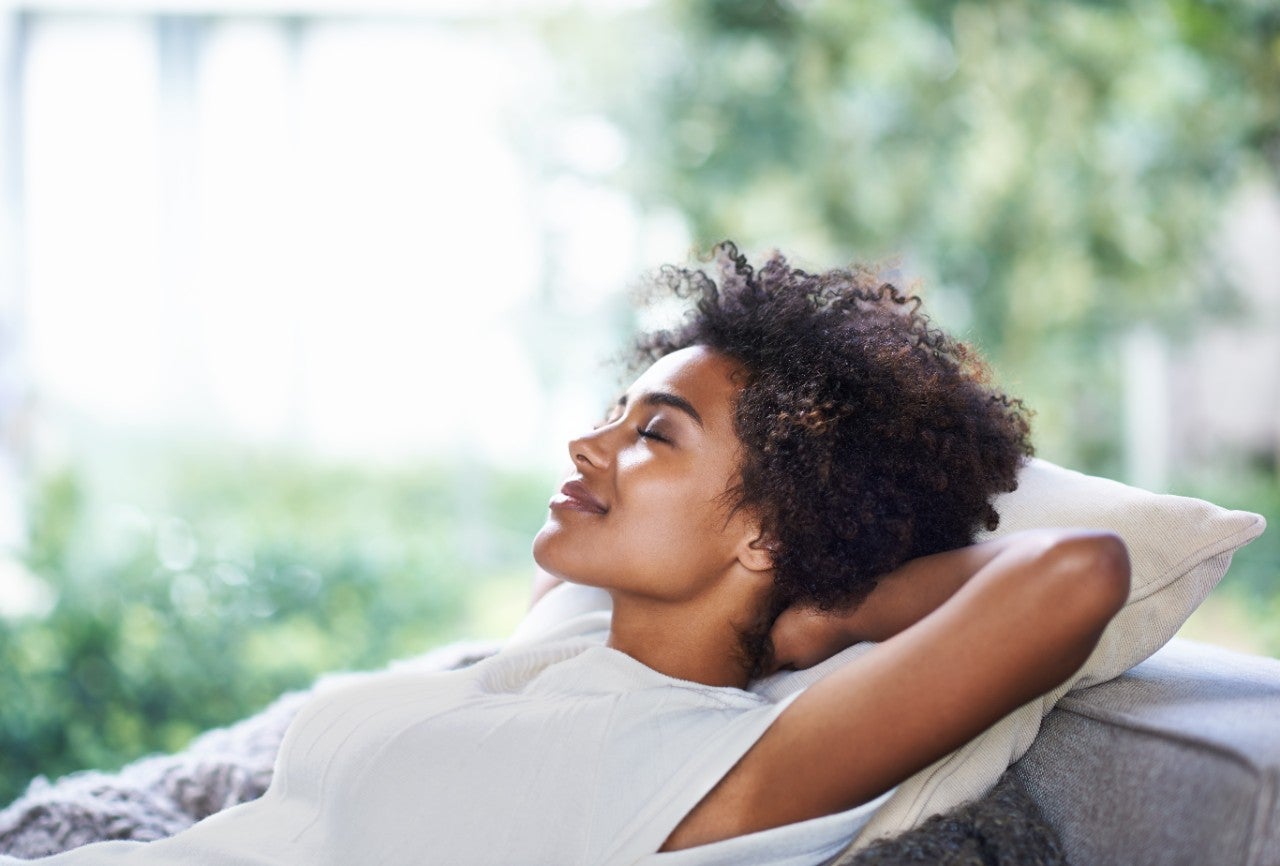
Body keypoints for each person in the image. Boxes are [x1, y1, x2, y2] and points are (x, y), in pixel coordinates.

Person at [0, 242, 1130, 865]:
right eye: (615, 410)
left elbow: (1075, 573)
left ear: (765, 529)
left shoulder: (715, 773)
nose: (589, 443)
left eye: (652, 434)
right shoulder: (575, 632)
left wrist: (823, 611)